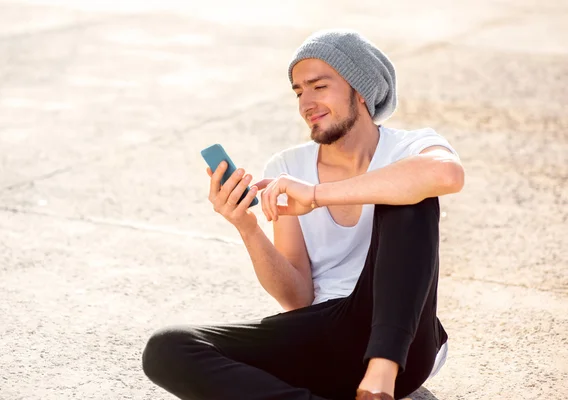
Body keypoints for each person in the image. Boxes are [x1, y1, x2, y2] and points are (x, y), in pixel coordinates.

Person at [142, 29, 464, 400]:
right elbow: (296, 298)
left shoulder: (409, 147)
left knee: (409, 190)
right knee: (168, 347)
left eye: (318, 86)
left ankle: (380, 375)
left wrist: (314, 195)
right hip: (323, 333)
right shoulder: (288, 166)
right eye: (298, 91)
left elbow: (446, 174)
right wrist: (248, 228)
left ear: (359, 90)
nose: (305, 102)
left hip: (404, 340)